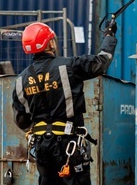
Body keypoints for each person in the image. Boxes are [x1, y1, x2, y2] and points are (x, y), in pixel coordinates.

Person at [12, 19, 118, 184]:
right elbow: (101, 62)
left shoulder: (21, 80)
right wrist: (109, 36)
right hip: (69, 146)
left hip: (42, 149)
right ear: (50, 44)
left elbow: (21, 119)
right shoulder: (68, 66)